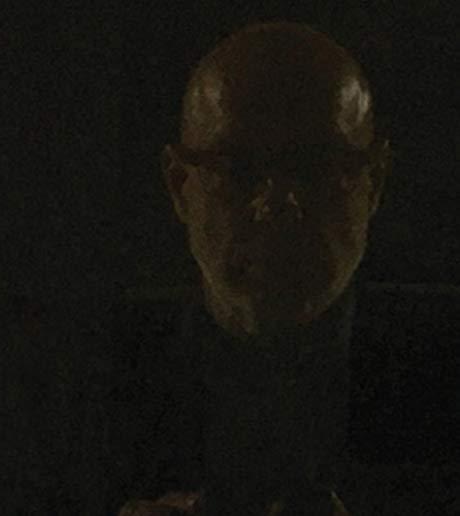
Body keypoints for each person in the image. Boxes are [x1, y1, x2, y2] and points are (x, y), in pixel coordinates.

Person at [114, 21, 458, 516]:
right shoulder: (91, 379)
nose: (278, 204)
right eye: (237, 169)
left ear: (376, 184)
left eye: (317, 167)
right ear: (179, 186)